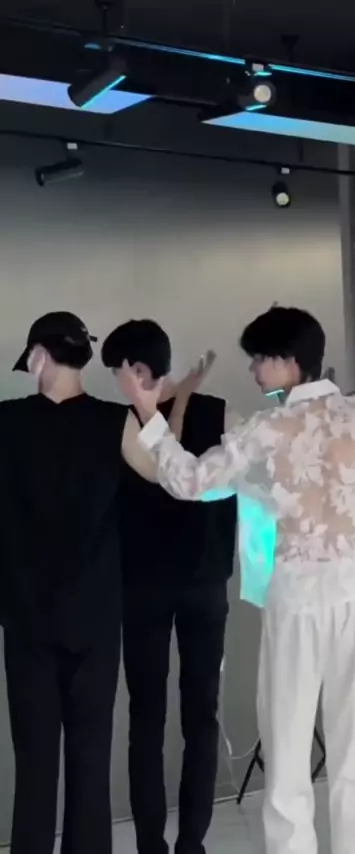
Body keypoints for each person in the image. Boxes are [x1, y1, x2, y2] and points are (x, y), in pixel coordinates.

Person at [113, 305, 355, 854]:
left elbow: (189, 481)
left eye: (259, 359)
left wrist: (150, 415)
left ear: (287, 361)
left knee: (287, 768)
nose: (253, 370)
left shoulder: (263, 431)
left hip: (294, 605)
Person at [0, 311, 159, 854]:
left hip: (26, 617)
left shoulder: (6, 421)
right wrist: (151, 408)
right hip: (95, 615)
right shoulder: (116, 423)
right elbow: (168, 476)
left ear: (38, 356)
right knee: (91, 759)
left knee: (34, 763)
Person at [101, 319, 238, 854]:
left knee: (150, 720)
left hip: (149, 588)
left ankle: (156, 846)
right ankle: (186, 845)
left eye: (118, 371)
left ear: (138, 370)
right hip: (195, 586)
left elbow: (171, 473)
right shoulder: (219, 413)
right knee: (195, 717)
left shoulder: (125, 424)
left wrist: (175, 404)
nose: (116, 382)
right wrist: (179, 400)